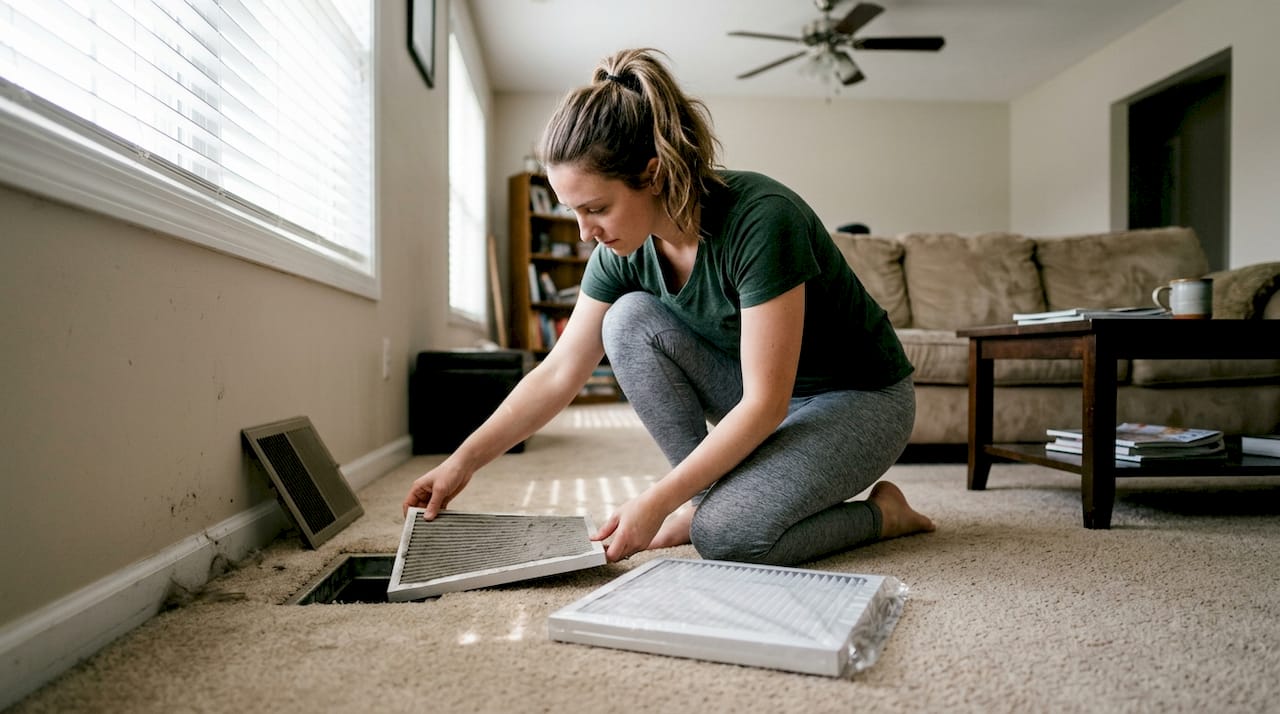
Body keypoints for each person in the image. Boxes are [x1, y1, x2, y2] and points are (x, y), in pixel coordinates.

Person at [403, 48, 934, 566]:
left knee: (728, 536)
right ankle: (704, 500)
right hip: (768, 397)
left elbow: (765, 405)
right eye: (573, 213)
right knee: (627, 320)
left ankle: (884, 515)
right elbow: (560, 370)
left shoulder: (762, 219)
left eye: (596, 208)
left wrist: (656, 501)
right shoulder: (622, 252)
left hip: (862, 398)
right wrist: (461, 462)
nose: (586, 233)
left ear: (654, 175)